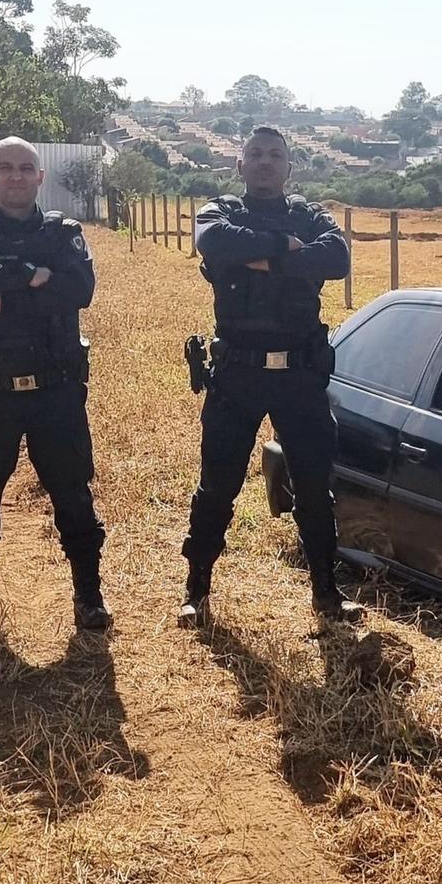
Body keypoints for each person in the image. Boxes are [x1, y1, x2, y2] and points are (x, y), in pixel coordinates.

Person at [179, 126, 359, 626]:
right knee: (217, 485)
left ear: (288, 166)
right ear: (240, 166)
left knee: (314, 487)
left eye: (274, 155)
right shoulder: (222, 213)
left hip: (300, 375)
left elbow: (337, 258)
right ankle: (197, 589)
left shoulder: (312, 214)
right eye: (254, 154)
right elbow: (212, 241)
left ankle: (327, 592)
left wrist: (260, 259)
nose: (264, 162)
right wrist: (288, 249)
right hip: (237, 373)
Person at [0, 137, 111, 637]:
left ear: (40, 177)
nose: (16, 176)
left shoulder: (64, 232)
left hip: (55, 392)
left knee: (74, 497)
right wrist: (29, 274)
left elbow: (78, 291)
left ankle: (89, 598)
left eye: (26, 168)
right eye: (5, 167)